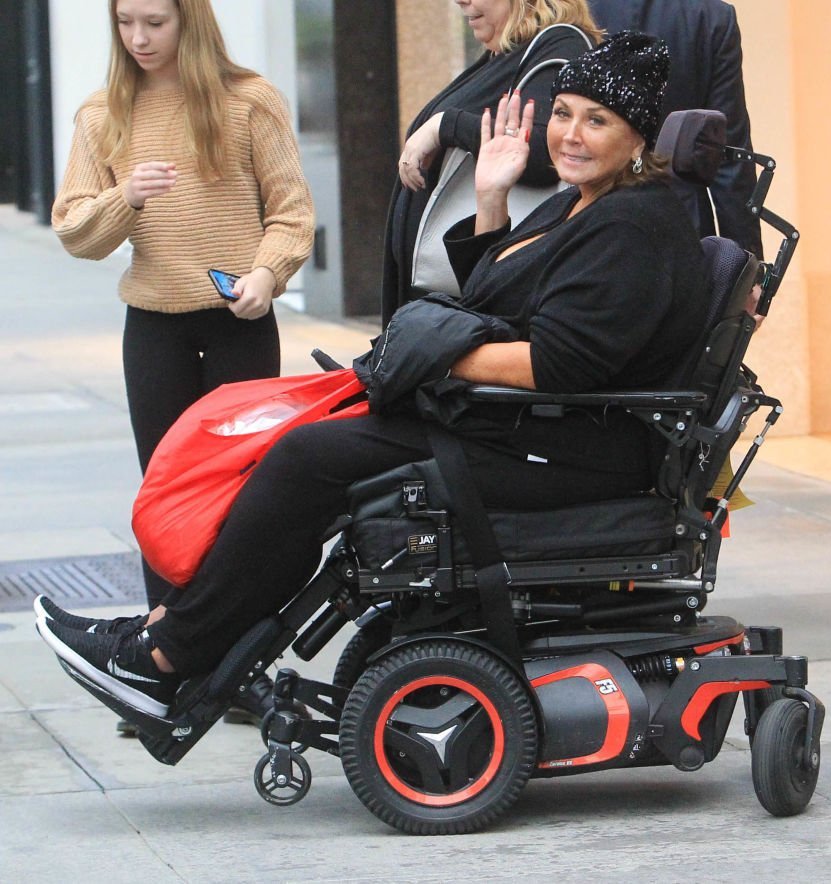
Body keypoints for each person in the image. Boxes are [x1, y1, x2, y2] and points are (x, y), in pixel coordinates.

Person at [37, 32, 714, 722]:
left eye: (596, 121)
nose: (570, 134)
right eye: (563, 112)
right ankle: (177, 633)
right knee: (300, 441)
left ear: (640, 141)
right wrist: (491, 198)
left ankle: (168, 654)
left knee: (308, 458)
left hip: (569, 450)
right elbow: (493, 297)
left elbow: (559, 363)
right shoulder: (583, 201)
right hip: (524, 428)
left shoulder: (632, 226)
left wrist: (435, 357)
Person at [49, 0, 315, 725]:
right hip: (155, 330)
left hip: (239, 327)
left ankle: (242, 668)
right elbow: (75, 230)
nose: (138, 38)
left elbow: (291, 213)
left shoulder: (249, 102)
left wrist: (266, 275)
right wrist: (123, 199)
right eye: (126, 22)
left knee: (243, 503)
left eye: (154, 22)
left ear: (189, 21)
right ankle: (163, 664)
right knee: (166, 499)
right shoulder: (102, 114)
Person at [382, 0, 600, 322]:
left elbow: (547, 151)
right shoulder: (508, 55)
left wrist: (446, 125)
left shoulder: (558, 46)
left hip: (477, 302)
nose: (461, 1)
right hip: (455, 293)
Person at [586, 0, 763, 257]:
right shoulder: (711, 15)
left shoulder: (562, 7)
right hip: (683, 224)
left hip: (587, 219)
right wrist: (748, 265)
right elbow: (729, 155)